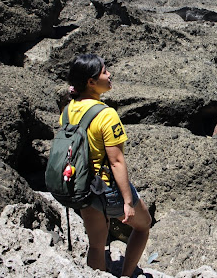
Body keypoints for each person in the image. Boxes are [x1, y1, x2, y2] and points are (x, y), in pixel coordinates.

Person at [63, 53, 151, 277]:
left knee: (96, 245)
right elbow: (117, 161)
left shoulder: (68, 110)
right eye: (104, 72)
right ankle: (126, 274)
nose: (109, 74)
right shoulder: (106, 115)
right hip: (107, 187)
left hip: (82, 186)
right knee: (143, 226)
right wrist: (128, 202)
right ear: (91, 82)